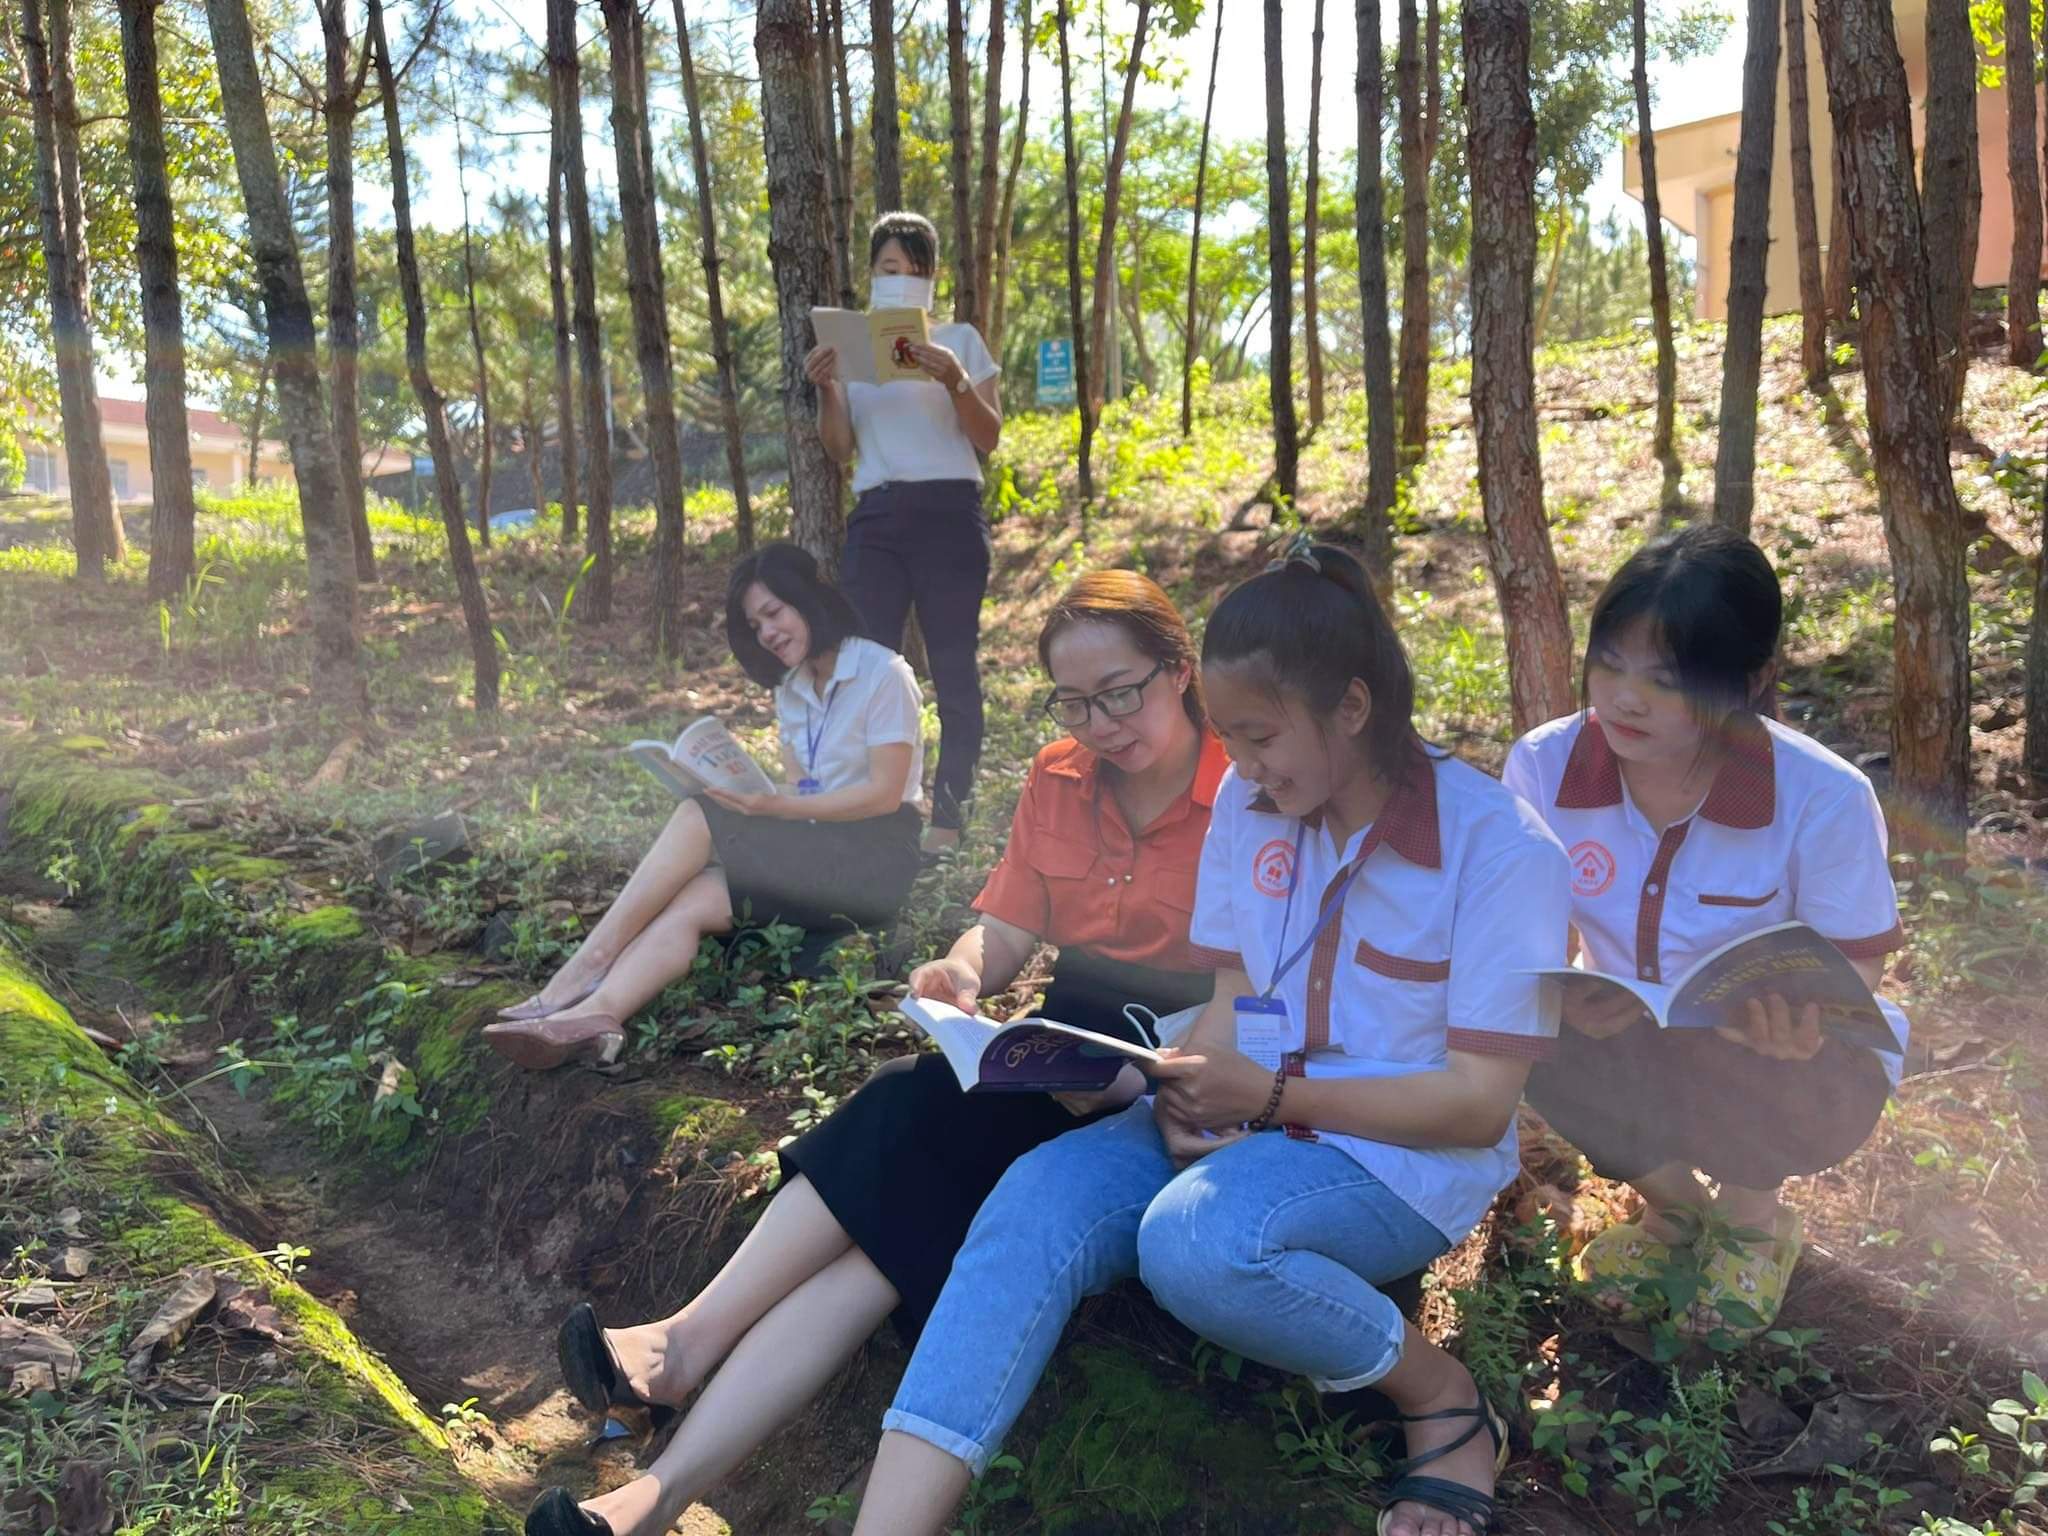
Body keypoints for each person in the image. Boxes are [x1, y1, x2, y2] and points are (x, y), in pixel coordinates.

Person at [846, 542, 1572, 1536]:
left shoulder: (1500, 850)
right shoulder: (1250, 800)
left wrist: (1267, 1099)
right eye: (1228, 736)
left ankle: (1440, 1396)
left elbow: (1478, 1106)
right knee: (1033, 1199)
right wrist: (1186, 1088)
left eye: (1261, 737)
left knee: (1195, 1243)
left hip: (1397, 1160)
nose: (1243, 767)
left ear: (1351, 708)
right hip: (1251, 1117)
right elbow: (1237, 992)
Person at [522, 571, 1227, 1536]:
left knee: (898, 1134)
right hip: (1051, 1058)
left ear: (1179, 669)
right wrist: (962, 969)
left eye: (1121, 693)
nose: (1101, 724)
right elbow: (1006, 929)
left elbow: (1258, 993)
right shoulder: (1060, 777)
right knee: (881, 1245)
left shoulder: (1245, 791)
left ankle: (672, 1392)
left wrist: (1151, 1075)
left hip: (1165, 1080)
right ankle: (655, 1479)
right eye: (1074, 702)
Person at [1503, 523, 1906, 1341]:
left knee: (1796, 1058)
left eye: (1667, 679)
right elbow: (1519, 931)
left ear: (1750, 680)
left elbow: (1856, 961)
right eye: (1609, 664)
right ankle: (1676, 1215)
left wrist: (1803, 1021)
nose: (1625, 698)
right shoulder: (1545, 765)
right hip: (1624, 1032)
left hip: (1771, 1057)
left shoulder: (1822, 794)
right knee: (1525, 1025)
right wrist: (1563, 994)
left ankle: (1754, 1225)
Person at [484, 543, 924, 1072]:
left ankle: (582, 970)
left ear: (808, 599)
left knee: (698, 817)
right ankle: (597, 1013)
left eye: (774, 613)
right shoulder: (792, 689)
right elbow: (803, 791)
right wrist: (746, 793)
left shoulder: (883, 672)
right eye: (755, 625)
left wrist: (769, 808)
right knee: (696, 896)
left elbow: (883, 794)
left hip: (876, 858)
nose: (767, 633)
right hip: (821, 845)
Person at [804, 211, 1003, 855]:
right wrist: (829, 388)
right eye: (890, 267)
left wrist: (955, 379)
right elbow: (839, 449)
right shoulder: (852, 349)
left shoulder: (960, 340)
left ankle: (948, 817)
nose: (901, 278)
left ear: (933, 277)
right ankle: (879, 809)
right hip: (878, 518)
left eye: (915, 269)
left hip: (950, 513)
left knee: (952, 666)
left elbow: (989, 436)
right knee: (870, 669)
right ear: (870, 272)